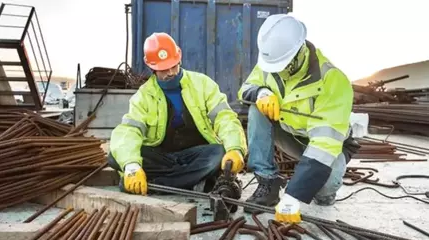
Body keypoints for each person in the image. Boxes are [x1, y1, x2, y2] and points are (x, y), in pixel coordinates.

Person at [237, 14, 360, 222]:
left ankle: (327, 189)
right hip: (290, 134)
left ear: (299, 51)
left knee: (322, 191)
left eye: (282, 66)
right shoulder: (271, 63)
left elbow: (323, 146)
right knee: (256, 109)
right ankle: (267, 182)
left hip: (328, 147)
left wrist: (293, 196)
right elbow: (245, 89)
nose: (278, 72)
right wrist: (261, 93)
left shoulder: (333, 81)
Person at [108, 32, 247, 196]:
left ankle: (157, 185)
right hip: (163, 158)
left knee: (218, 153)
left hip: (196, 155)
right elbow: (128, 132)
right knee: (114, 157)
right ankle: (192, 182)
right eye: (164, 69)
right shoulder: (143, 96)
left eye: (173, 65)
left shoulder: (202, 84)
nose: (171, 72)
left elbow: (225, 117)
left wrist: (235, 148)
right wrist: (132, 166)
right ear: (150, 65)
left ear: (179, 57)